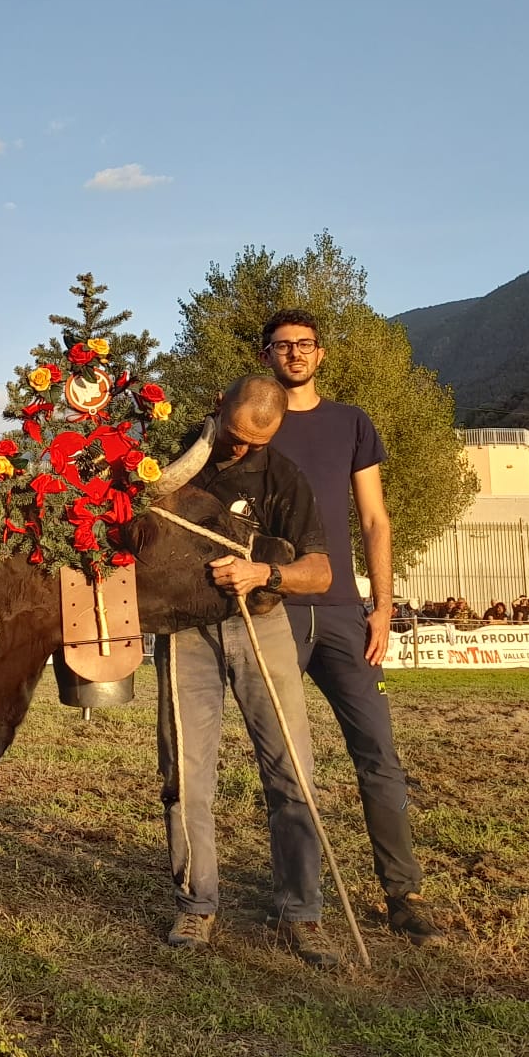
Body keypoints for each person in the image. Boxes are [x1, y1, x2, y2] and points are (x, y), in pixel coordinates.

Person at [262, 309, 438, 945]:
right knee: (286, 761)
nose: (295, 355)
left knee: (378, 753)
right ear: (267, 357)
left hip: (343, 611)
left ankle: (403, 893)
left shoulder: (351, 423)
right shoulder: (253, 423)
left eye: (305, 345)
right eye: (283, 346)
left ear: (321, 355)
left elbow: (375, 521)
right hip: (272, 609)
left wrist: (382, 604)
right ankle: (298, 902)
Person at [158, 375, 340, 966]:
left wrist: (265, 574)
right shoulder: (172, 463)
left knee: (292, 774)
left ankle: (302, 911)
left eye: (254, 443)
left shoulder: (283, 476)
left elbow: (321, 571)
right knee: (185, 776)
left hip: (261, 627)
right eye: (234, 438)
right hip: (185, 631)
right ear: (217, 407)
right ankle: (196, 906)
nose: (241, 450)